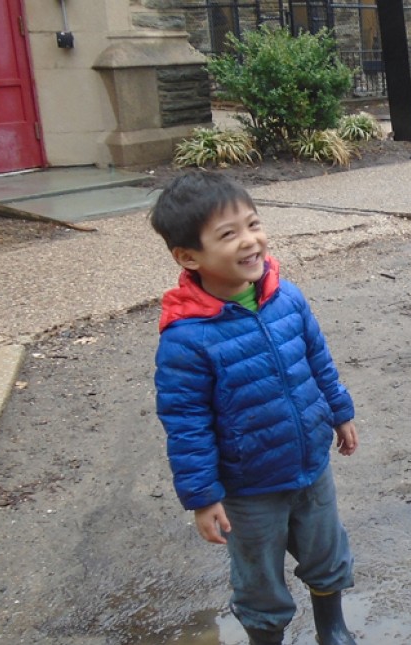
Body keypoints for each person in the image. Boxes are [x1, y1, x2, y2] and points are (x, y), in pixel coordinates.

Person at [149, 171, 360, 645]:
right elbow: (186, 424)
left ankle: (333, 625)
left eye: (253, 224)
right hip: (248, 487)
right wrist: (202, 495)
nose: (251, 241)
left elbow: (317, 359)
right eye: (229, 234)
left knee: (326, 550)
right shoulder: (186, 338)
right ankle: (266, 636)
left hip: (311, 463)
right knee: (259, 576)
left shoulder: (286, 297)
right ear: (188, 257)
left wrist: (339, 411)